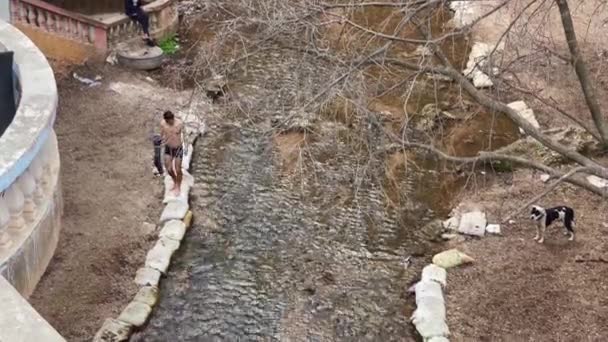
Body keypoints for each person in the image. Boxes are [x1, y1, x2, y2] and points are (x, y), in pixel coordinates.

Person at [160, 111, 184, 195]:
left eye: (170, 121)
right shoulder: (163, 124)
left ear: (172, 118)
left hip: (178, 148)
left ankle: (178, 186)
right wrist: (161, 140)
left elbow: (185, 135)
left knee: (178, 169)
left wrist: (187, 144)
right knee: (169, 169)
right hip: (168, 148)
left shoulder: (179, 123)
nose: (169, 123)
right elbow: (162, 134)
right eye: (167, 122)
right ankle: (174, 181)